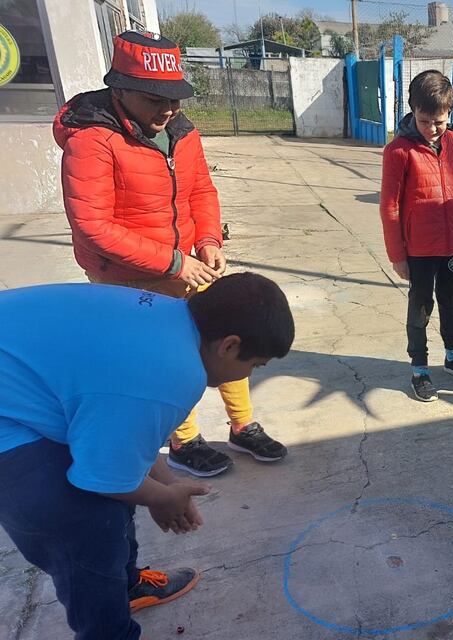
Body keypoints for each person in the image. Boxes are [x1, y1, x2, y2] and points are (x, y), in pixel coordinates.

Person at [0, 274, 295, 639]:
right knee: (83, 522)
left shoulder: (172, 320)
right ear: (230, 346)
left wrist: (168, 483)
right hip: (8, 417)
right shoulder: (175, 371)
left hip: (19, 384)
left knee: (125, 489)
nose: (250, 373)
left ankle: (125, 586)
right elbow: (104, 476)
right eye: (256, 365)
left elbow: (126, 441)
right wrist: (161, 497)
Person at [53, 31, 287, 477]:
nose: (169, 109)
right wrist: (176, 262)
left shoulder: (181, 132)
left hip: (189, 263)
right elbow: (94, 227)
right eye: (153, 98)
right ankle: (184, 440)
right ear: (119, 90)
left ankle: (242, 426)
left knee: (228, 338)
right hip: (129, 275)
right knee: (169, 357)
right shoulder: (92, 140)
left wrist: (209, 241)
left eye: (175, 98)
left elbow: (201, 189)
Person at [380, 70, 453, 401]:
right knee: (421, 306)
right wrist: (397, 254)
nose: (433, 128)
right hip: (419, 248)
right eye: (425, 121)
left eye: (439, 121)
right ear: (412, 110)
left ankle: (452, 355)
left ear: (450, 112)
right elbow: (389, 206)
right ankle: (420, 369)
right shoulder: (398, 151)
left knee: (450, 302)